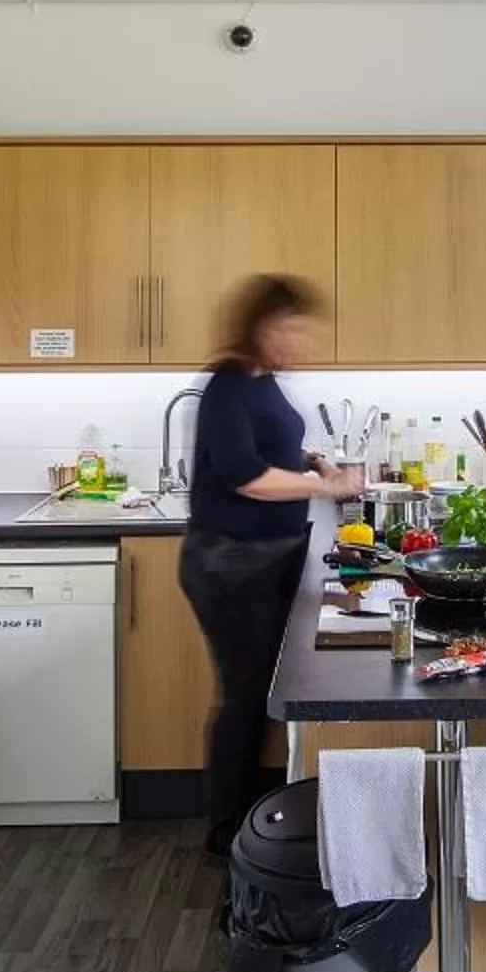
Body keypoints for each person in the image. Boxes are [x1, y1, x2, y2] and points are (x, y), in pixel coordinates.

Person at [179, 273, 365, 855]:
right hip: (232, 563)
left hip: (270, 556)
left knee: (269, 688)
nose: (296, 341)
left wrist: (310, 458)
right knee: (247, 692)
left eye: (301, 330)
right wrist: (324, 486)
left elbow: (269, 450)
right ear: (257, 326)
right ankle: (226, 829)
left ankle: (262, 817)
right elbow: (248, 478)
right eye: (286, 328)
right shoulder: (228, 385)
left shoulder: (263, 382)